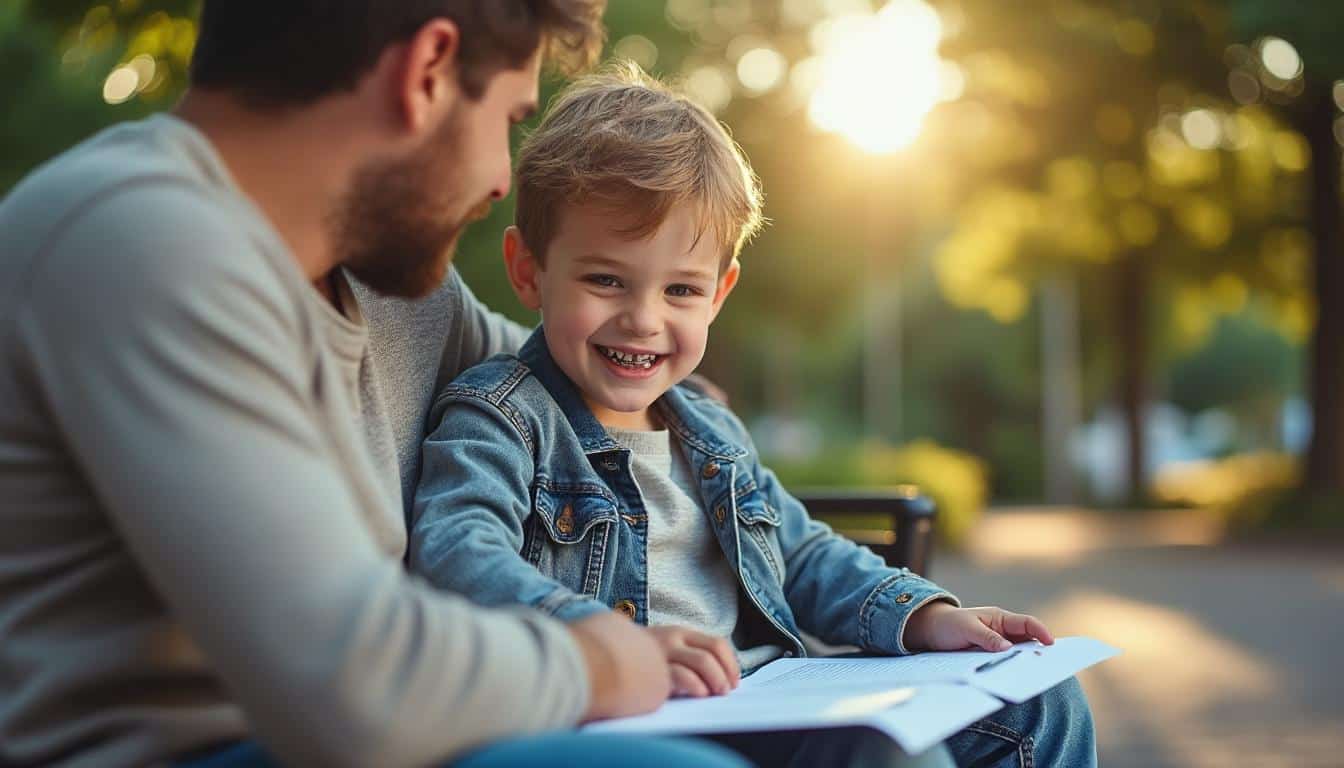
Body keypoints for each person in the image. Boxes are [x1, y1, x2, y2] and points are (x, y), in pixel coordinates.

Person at [0, 4, 754, 767]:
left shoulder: (390, 289)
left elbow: (576, 381)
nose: (502, 179)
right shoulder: (142, 242)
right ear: (427, 71)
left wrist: (684, 409)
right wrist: (606, 661)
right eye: (508, 119)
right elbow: (356, 691)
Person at [408, 63, 1099, 767]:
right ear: (528, 271)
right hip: (630, 721)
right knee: (893, 754)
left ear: (720, 293)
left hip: (763, 701)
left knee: (1040, 703)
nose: (643, 319)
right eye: (606, 279)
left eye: (681, 290)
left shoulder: (709, 432)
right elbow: (459, 551)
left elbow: (801, 553)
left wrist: (926, 615)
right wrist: (605, 642)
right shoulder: (500, 420)